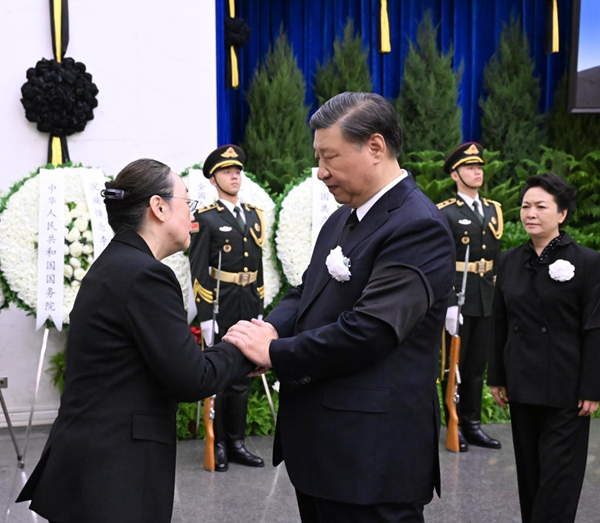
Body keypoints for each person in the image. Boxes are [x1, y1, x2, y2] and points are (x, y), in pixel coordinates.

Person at [224, 92, 455, 522]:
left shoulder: (417, 225)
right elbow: (305, 292)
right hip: (324, 453)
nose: (320, 172)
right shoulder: (343, 217)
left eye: (329, 157)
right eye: (317, 157)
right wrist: (270, 330)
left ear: (375, 147)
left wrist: (273, 354)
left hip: (371, 460)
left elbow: (371, 330)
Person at [17, 159, 254, 523]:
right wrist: (245, 346)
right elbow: (192, 379)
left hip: (92, 464)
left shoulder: (117, 262)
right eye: (186, 203)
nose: (193, 217)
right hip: (113, 475)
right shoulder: (145, 275)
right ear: (158, 207)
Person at [488, 173, 600, 523]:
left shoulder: (587, 261)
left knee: (558, 479)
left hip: (567, 386)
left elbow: (595, 327)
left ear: (562, 214)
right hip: (522, 381)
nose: (530, 213)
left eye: (540, 206)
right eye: (525, 206)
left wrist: (592, 387)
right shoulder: (508, 261)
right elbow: (499, 321)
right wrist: (497, 377)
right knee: (531, 475)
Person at [188, 145, 265, 472]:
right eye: (226, 172)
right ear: (213, 178)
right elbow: (198, 268)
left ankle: (236, 442)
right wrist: (205, 316)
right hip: (220, 303)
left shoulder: (253, 214)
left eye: (237, 171)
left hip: (247, 300)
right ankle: (217, 442)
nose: (234, 176)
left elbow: (258, 263)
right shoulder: (205, 218)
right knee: (220, 376)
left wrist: (259, 306)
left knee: (243, 375)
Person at [436, 142, 502, 452]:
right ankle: (454, 422)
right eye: (469, 167)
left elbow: (495, 258)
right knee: (454, 364)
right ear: (455, 174)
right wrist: (448, 302)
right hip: (458, 298)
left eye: (479, 167)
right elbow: (441, 261)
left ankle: (473, 423)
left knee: (477, 365)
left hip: (485, 296)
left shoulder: (493, 210)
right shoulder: (446, 212)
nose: (477, 171)